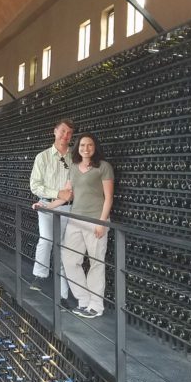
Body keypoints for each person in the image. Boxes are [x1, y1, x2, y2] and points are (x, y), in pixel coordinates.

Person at [61, 133, 114, 318]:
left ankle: (96, 306)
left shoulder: (104, 167)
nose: (86, 148)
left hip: (95, 221)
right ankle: (83, 300)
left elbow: (108, 198)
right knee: (69, 260)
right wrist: (45, 205)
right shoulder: (74, 168)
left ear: (95, 147)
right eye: (82, 145)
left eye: (90, 145)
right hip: (75, 220)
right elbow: (68, 194)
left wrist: (101, 222)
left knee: (96, 264)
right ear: (78, 148)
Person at [28, 119, 75, 302]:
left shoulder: (75, 158)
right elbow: (34, 185)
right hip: (47, 206)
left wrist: (66, 195)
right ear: (54, 131)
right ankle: (40, 275)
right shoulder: (43, 157)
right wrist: (57, 193)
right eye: (63, 131)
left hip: (69, 208)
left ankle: (63, 294)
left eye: (69, 133)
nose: (66, 136)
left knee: (65, 249)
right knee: (46, 239)